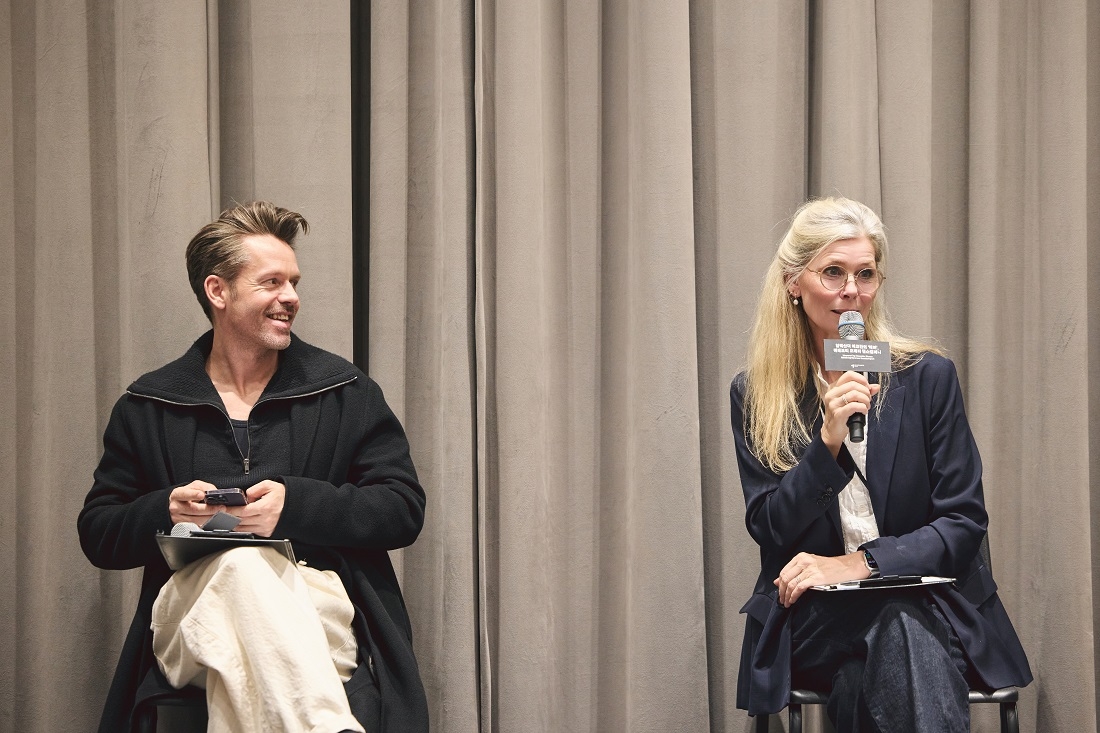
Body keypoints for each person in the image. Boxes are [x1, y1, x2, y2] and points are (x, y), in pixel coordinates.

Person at [78, 202, 428, 733]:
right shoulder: (148, 405)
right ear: (218, 292)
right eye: (271, 282)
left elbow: (402, 508)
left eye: (294, 282)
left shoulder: (345, 392)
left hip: (318, 606)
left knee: (245, 597)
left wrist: (298, 506)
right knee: (237, 570)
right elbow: (98, 532)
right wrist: (165, 510)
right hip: (188, 615)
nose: (291, 297)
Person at [729, 197, 1032, 731]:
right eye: (833, 272)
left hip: (927, 604)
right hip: (815, 619)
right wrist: (825, 446)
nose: (851, 291)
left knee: (887, 648)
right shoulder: (758, 394)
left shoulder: (926, 379)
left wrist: (857, 564)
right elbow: (772, 530)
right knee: (902, 635)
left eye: (864, 274)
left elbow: (963, 524)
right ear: (793, 284)